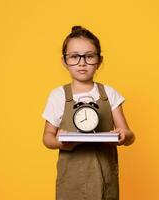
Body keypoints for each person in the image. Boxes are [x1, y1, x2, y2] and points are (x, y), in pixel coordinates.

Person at [42, 25, 135, 200]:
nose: (82, 62)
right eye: (75, 57)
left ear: (99, 61)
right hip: (71, 182)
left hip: (104, 179)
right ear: (64, 61)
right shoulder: (58, 95)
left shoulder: (109, 94)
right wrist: (59, 142)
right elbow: (46, 137)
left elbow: (130, 135)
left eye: (89, 56)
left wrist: (123, 135)